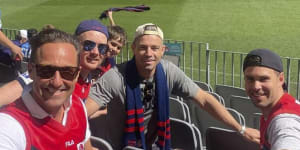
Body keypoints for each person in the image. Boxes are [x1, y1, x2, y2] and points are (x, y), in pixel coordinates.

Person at [85, 23, 260, 149]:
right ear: (133, 48)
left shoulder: (169, 72)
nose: (149, 54)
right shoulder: (115, 78)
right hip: (122, 146)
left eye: (155, 48)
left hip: (155, 144)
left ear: (163, 50)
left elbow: (205, 99)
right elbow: (81, 113)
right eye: (143, 48)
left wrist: (241, 129)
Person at [0, 28, 93, 149]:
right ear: (31, 71)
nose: (57, 82)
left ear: (77, 74)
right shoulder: (9, 127)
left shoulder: (78, 105)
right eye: (46, 70)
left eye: (68, 72)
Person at [0, 19, 109, 105]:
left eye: (102, 48)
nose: (95, 52)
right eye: (88, 45)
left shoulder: (88, 78)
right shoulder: (53, 69)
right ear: (76, 45)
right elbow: (9, 92)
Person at [243, 48, 300, 150]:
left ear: (281, 79)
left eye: (264, 79)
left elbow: (288, 139)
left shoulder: (284, 121)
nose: (256, 86)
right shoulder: (271, 110)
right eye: (250, 79)